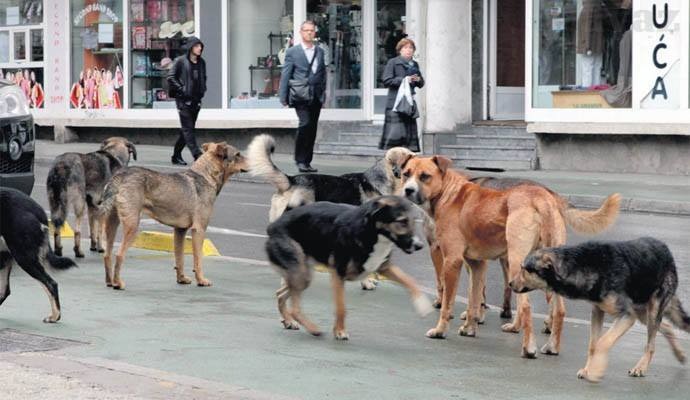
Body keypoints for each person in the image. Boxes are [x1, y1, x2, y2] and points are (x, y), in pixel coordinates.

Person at [279, 20, 326, 173]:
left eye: (312, 30)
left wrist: (324, 94)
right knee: (305, 123)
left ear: (315, 32)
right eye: (306, 30)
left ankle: (307, 162)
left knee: (312, 128)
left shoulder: (320, 51)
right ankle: (299, 159)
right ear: (301, 32)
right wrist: (283, 96)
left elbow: (322, 74)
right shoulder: (293, 52)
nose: (309, 33)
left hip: (316, 95)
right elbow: (286, 74)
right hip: (300, 95)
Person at [379, 38, 424, 152]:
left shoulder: (414, 64)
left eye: (411, 48)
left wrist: (418, 80)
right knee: (396, 134)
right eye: (405, 48)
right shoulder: (393, 62)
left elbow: (421, 83)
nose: (408, 50)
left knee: (409, 135)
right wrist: (404, 80)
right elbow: (386, 80)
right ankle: (393, 159)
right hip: (395, 102)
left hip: (409, 103)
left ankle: (407, 160)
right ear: (400, 50)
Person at [167, 36, 206, 166]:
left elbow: (203, 78)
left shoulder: (202, 63)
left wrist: (202, 92)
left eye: (200, 46)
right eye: (196, 46)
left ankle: (176, 156)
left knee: (187, 129)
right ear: (190, 48)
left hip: (196, 100)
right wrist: (182, 89)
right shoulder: (180, 61)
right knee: (188, 129)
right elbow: (171, 77)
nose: (199, 48)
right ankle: (197, 155)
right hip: (183, 100)